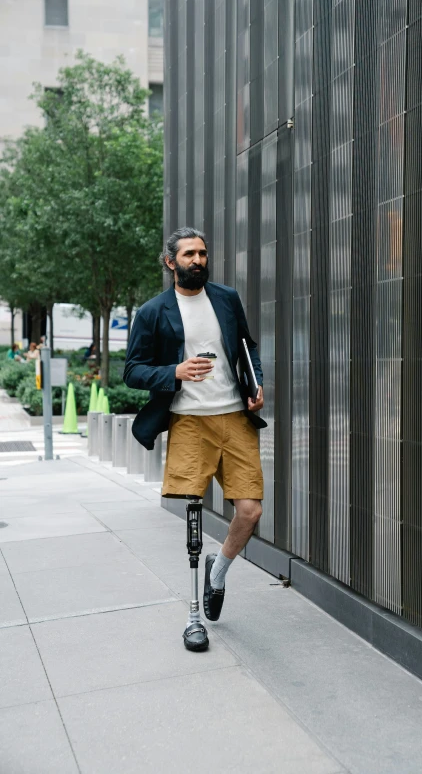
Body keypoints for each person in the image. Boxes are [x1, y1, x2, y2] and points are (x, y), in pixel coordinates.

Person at [124, 227, 266, 650]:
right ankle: (192, 618)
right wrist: (174, 372)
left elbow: (246, 346)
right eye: (189, 254)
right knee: (192, 516)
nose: (198, 260)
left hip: (234, 418)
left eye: (203, 253)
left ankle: (217, 572)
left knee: (250, 510)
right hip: (188, 421)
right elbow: (132, 370)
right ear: (171, 263)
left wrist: (256, 385)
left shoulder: (226, 299)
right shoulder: (152, 312)